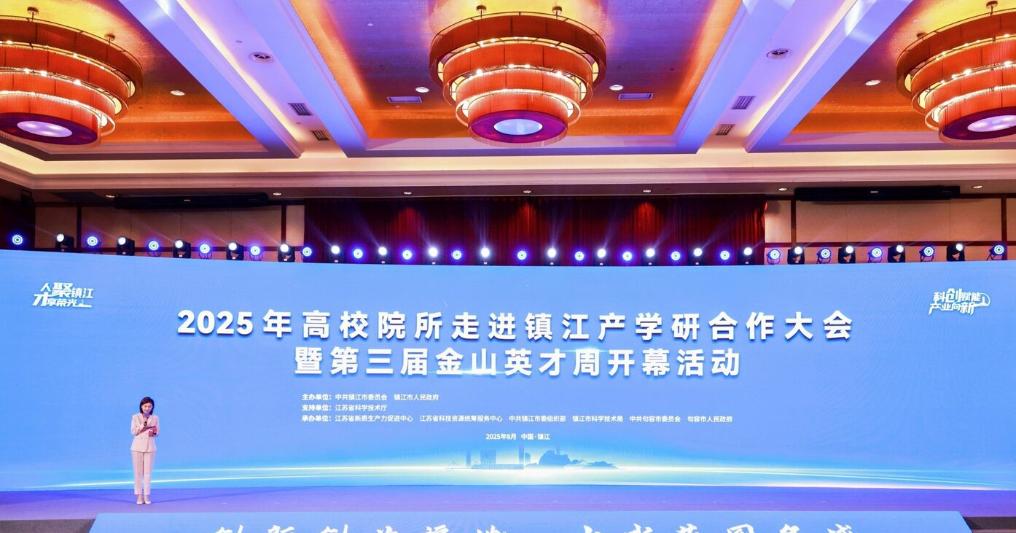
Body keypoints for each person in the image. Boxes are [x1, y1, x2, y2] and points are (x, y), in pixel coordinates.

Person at [130, 396, 159, 505]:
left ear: (152, 407)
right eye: (145, 406)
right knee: (138, 473)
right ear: (141, 406)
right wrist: (144, 425)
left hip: (150, 447)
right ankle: (139, 496)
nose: (147, 408)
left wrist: (154, 432)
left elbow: (157, 432)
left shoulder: (155, 417)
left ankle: (147, 495)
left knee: (147, 473)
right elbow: (134, 432)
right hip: (137, 447)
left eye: (149, 406)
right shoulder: (135, 417)